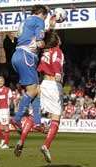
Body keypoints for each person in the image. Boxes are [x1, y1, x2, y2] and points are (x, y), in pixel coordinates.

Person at [11, 5, 49, 133]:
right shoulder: (39, 21)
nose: (45, 19)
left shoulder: (25, 21)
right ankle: (16, 119)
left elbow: (21, 37)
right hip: (26, 56)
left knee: (36, 90)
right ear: (42, 14)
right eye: (45, 16)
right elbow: (39, 40)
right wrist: (43, 44)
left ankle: (37, 123)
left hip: (17, 55)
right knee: (33, 90)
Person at [38, 30, 64, 163]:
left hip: (43, 83)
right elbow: (56, 63)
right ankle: (46, 145)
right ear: (56, 40)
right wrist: (58, 74)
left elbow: (40, 68)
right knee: (56, 116)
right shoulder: (57, 51)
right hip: (54, 84)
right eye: (58, 37)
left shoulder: (45, 52)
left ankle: (30, 125)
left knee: (40, 112)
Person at [0, 76, 12, 149]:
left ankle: (6, 144)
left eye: (1, 81)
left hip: (5, 110)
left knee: (6, 127)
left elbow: (10, 100)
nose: (0, 82)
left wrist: (7, 109)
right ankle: (3, 139)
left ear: (4, 82)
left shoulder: (8, 90)